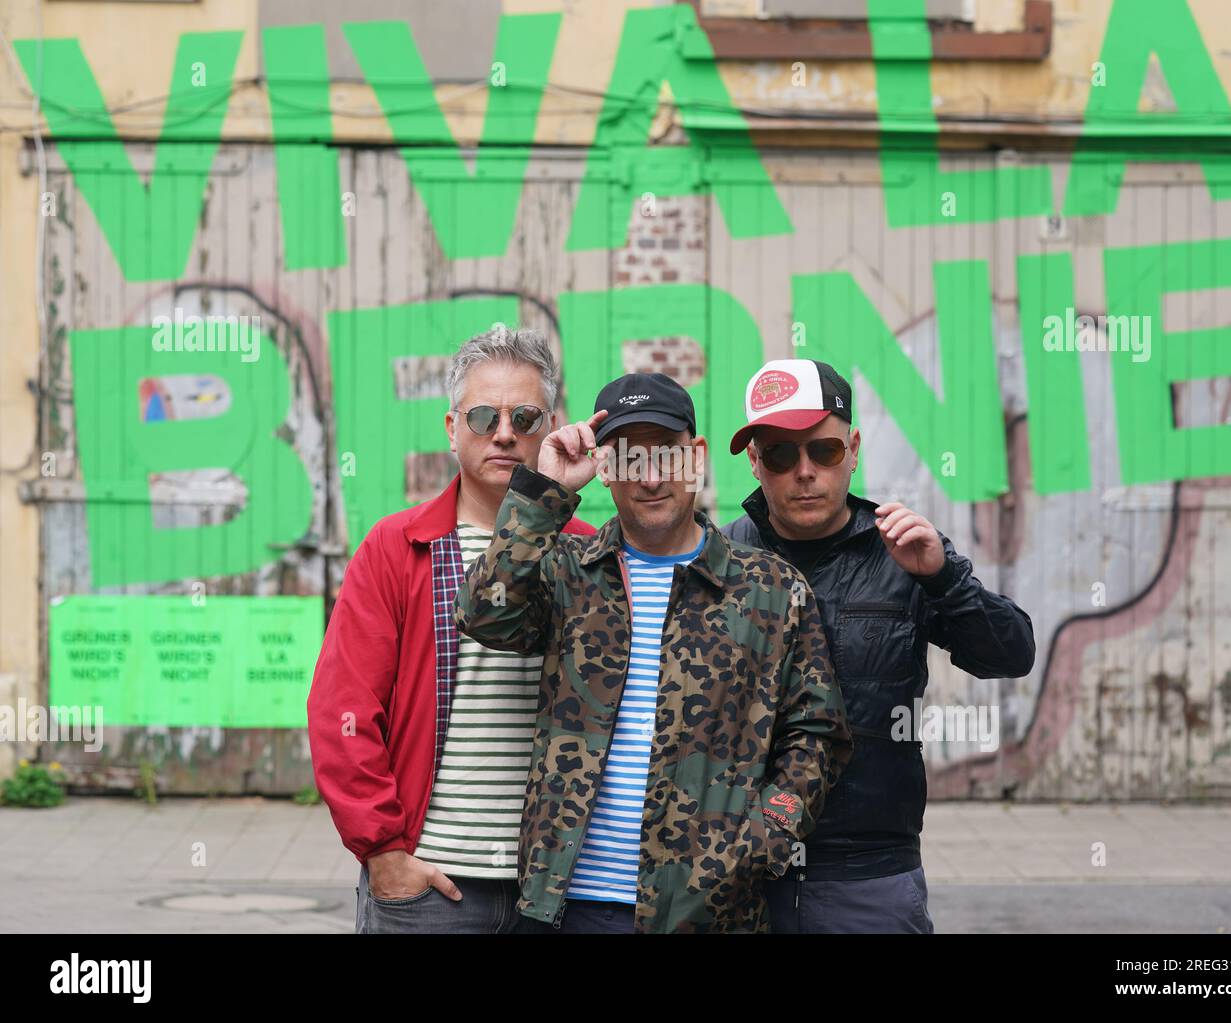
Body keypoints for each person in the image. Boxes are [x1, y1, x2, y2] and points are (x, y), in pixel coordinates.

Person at [455, 371, 853, 933]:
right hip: (568, 908)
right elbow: (484, 613)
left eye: (665, 456)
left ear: (697, 457)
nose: (649, 478)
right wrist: (546, 493)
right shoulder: (569, 570)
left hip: (709, 911)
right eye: (627, 459)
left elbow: (818, 734)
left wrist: (760, 842)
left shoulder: (769, 589)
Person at [723, 358, 1036, 933]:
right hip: (742, 878)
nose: (805, 473)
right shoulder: (720, 561)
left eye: (824, 451)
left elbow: (1011, 654)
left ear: (854, 448)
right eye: (781, 455)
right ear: (755, 462)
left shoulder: (904, 551)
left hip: (869, 876)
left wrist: (942, 579)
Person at [307, 328, 596, 933]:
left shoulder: (585, 554)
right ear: (449, 427)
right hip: (432, 892)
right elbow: (343, 712)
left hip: (557, 893)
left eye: (524, 415)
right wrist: (384, 852)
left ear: (549, 427)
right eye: (483, 414)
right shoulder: (398, 548)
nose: (504, 432)